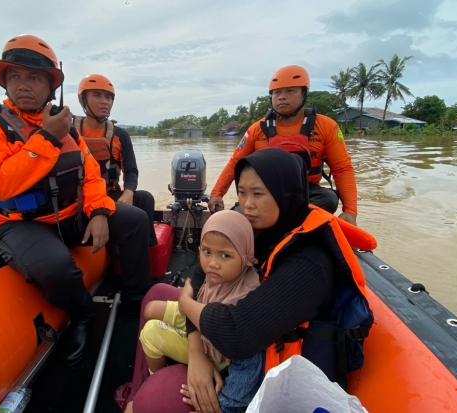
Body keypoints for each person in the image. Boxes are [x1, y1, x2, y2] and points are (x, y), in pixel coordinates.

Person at [123, 149, 373, 413]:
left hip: (250, 367)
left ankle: (143, 397)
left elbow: (236, 334)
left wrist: (186, 304)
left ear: (285, 192)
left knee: (154, 401)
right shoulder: (260, 226)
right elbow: (199, 276)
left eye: (258, 193)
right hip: (217, 330)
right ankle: (135, 388)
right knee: (156, 294)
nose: (247, 203)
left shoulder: (309, 262)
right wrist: (196, 352)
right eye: (242, 192)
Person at [0, 34, 152, 366]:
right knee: (55, 268)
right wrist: (47, 137)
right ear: (4, 83)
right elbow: (1, 183)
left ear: (50, 86)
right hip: (21, 224)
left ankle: (136, 302)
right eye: (15, 76)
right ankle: (83, 314)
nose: (23, 84)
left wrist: (97, 211)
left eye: (34, 77)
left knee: (135, 220)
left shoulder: (67, 127)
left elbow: (91, 174)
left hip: (70, 213)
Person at [138, 210, 263, 412]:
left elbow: (249, 364)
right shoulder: (221, 275)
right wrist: (187, 297)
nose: (212, 263)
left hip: (215, 353)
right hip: (200, 322)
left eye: (225, 255)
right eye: (206, 252)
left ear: (246, 256)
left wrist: (227, 405)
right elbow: (198, 292)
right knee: (152, 309)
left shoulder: (243, 301)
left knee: (151, 333)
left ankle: (157, 376)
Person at [208, 65, 359, 226]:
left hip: (305, 194)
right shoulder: (257, 129)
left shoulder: (326, 126)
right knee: (231, 224)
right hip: (263, 194)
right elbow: (235, 162)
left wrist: (350, 211)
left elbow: (342, 169)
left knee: (329, 199)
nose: (282, 97)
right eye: (277, 92)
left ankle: (285, 226)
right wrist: (217, 193)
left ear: (303, 95)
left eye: (290, 91)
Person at [74, 74, 157, 245]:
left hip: (108, 194)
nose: (104, 101)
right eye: (97, 95)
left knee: (145, 198)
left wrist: (128, 192)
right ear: (83, 100)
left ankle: (147, 249)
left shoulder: (120, 135)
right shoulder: (68, 131)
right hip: (77, 200)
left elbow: (131, 171)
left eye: (108, 97)